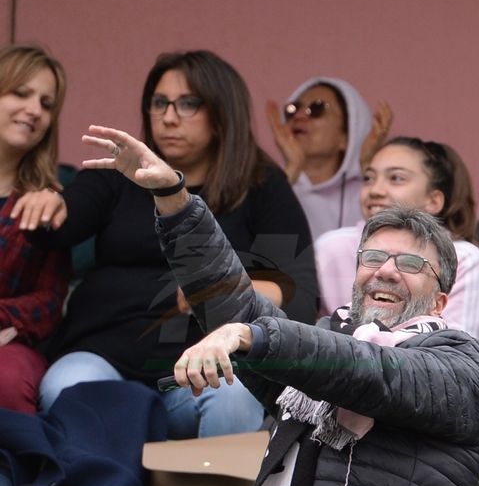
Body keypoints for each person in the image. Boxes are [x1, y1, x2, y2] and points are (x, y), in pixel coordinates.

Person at [78, 122, 479, 486]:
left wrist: (257, 337)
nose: (385, 271)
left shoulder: (460, 366)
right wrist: (174, 199)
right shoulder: (313, 363)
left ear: (439, 301)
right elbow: (232, 302)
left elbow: (372, 374)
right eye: (372, 258)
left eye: (410, 263)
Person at [20, 50, 317, 438]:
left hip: (202, 369)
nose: (169, 116)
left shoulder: (260, 184)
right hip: (103, 355)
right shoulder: (123, 170)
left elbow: (299, 294)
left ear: (221, 112)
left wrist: (225, 290)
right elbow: (62, 222)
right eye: (159, 103)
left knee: (234, 397)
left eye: (188, 104)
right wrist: (48, 204)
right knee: (67, 387)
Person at [315, 136, 479, 337]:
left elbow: (457, 350)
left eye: (396, 178)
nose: (375, 190)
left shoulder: (465, 256)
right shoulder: (330, 246)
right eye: (369, 178)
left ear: (433, 201)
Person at [0, 44, 71, 415]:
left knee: (6, 379)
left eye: (46, 104)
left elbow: (49, 301)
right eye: (20, 94)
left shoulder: (47, 201)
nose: (34, 110)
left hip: (12, 344)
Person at [265, 77, 393, 239]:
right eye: (292, 109)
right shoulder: (271, 187)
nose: (299, 116)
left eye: (317, 108)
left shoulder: (366, 194)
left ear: (346, 137)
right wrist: (291, 171)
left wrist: (369, 165)